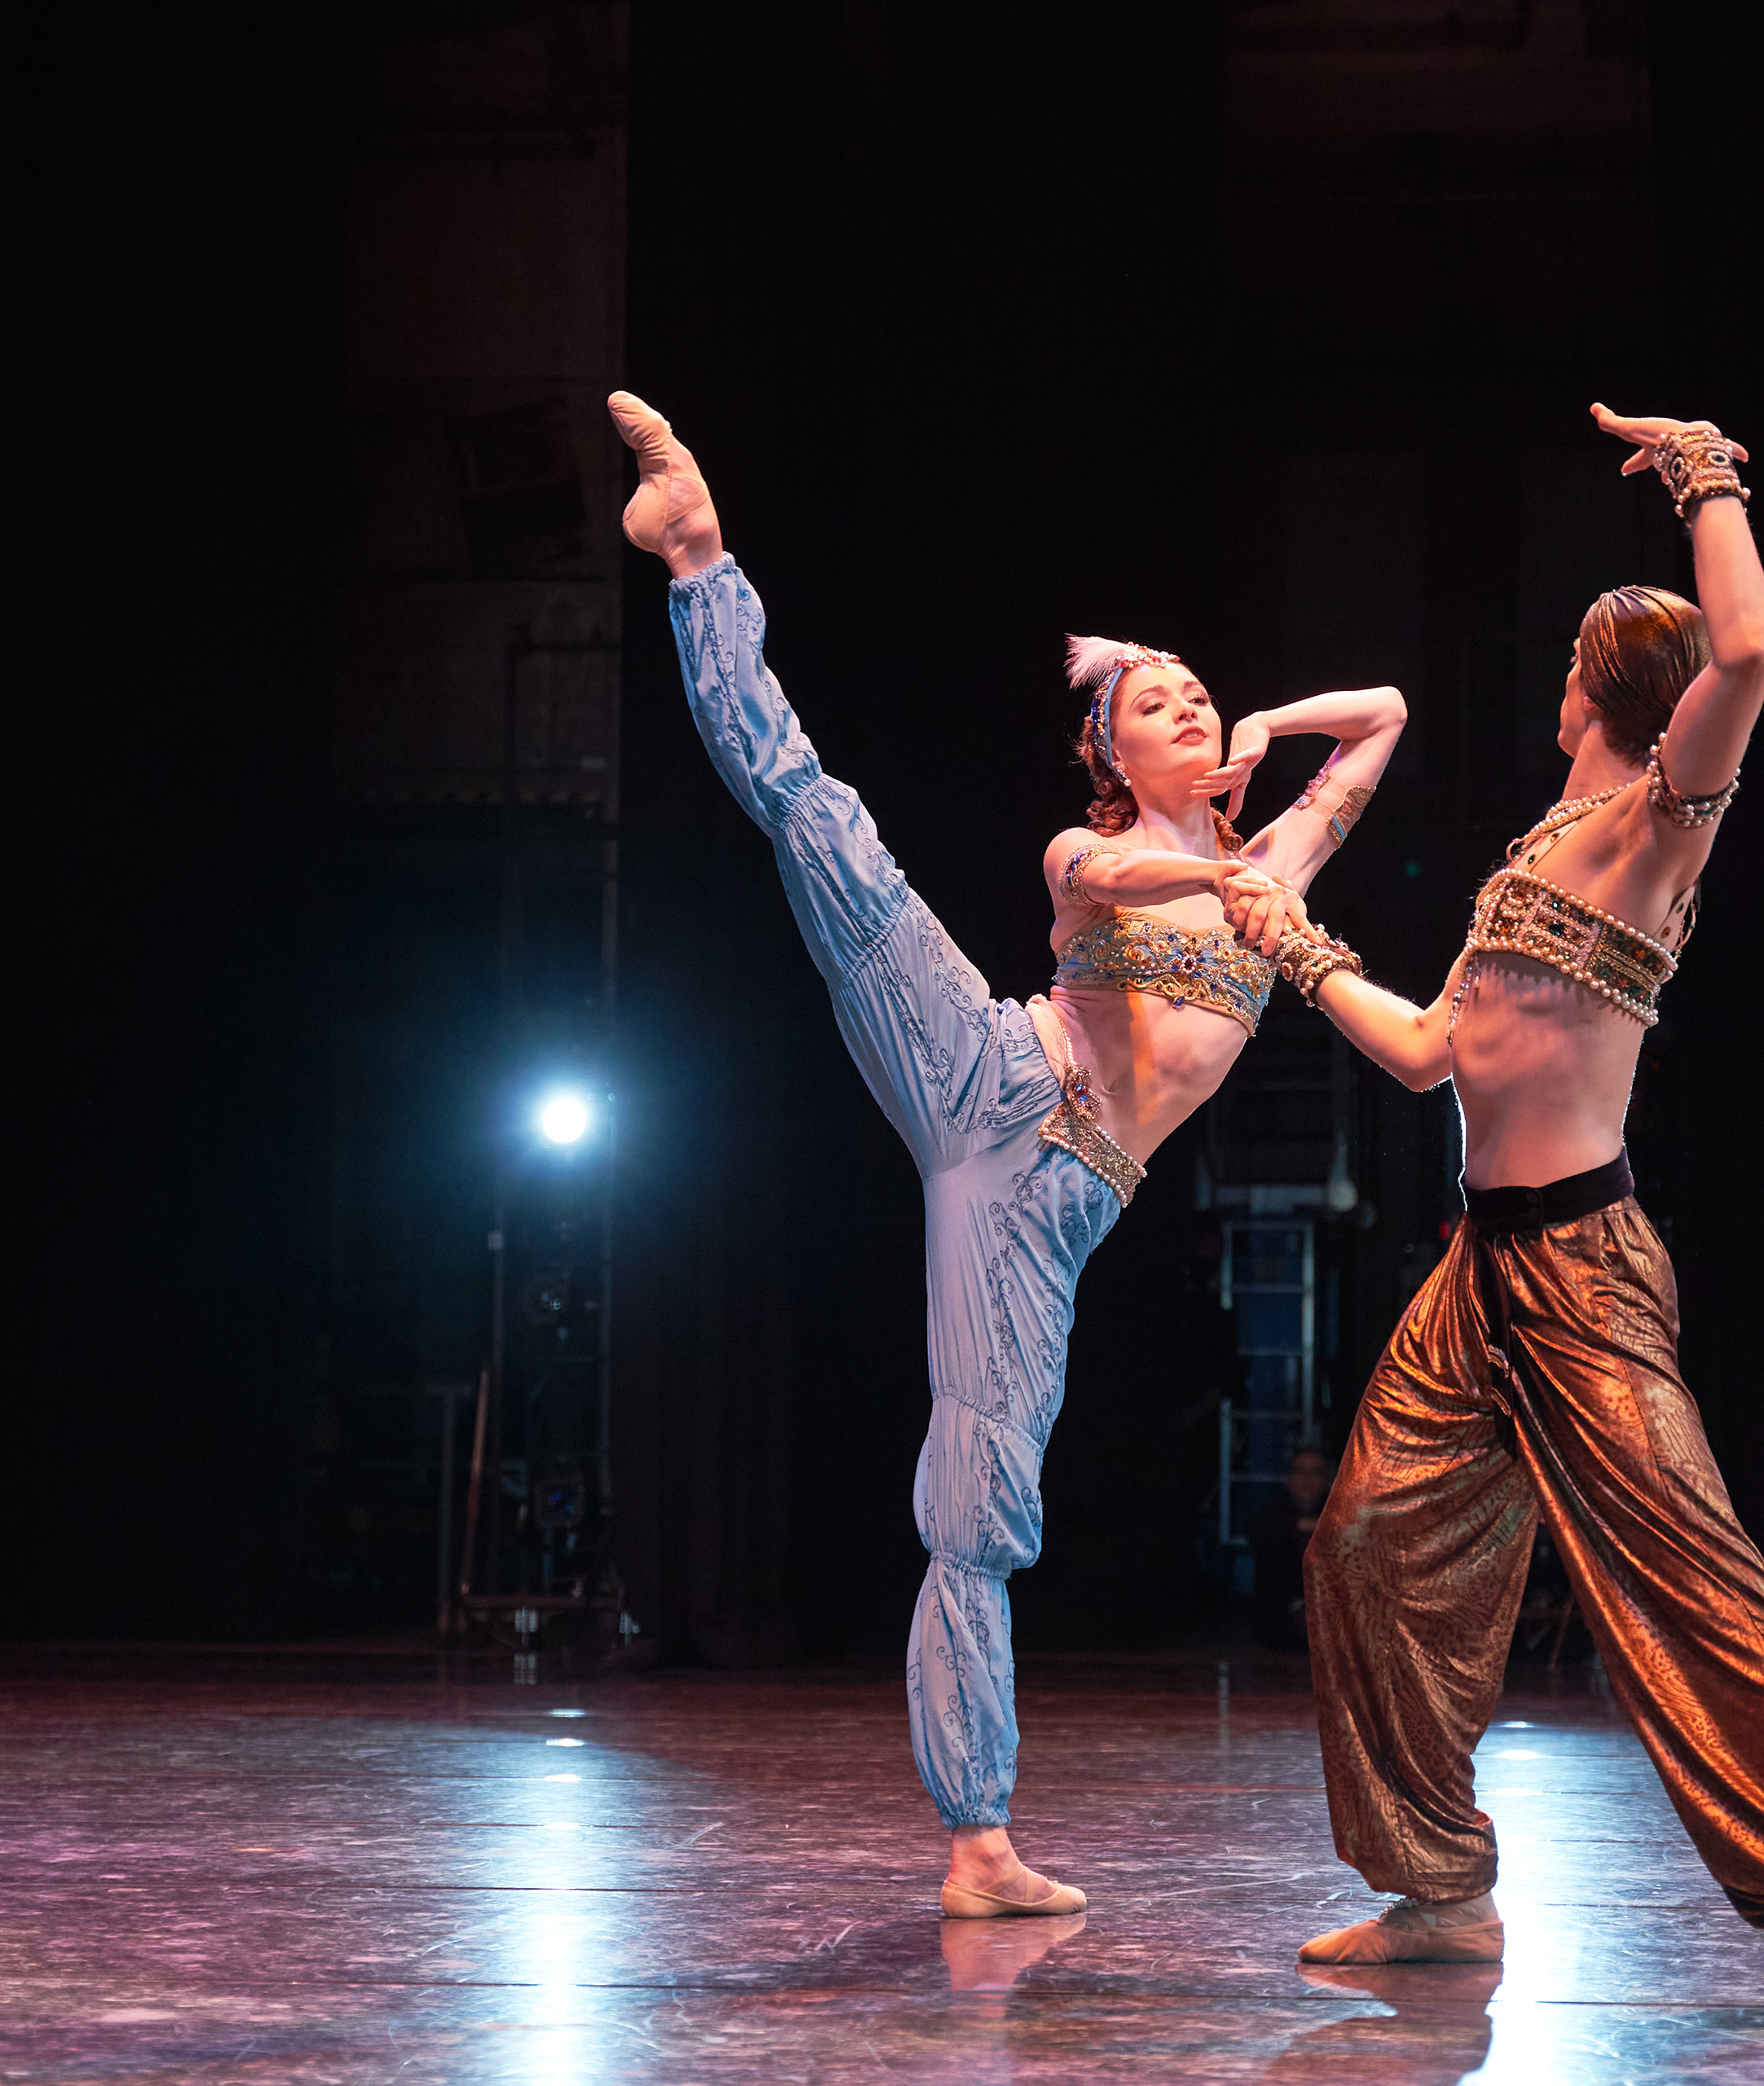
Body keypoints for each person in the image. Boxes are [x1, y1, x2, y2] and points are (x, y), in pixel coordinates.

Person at [609, 390, 1407, 1920]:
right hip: (986, 1065)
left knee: (984, 1502)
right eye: (1156, 701)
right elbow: (1110, 880)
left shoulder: (1274, 858)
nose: (1188, 704)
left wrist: (1272, 733)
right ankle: (700, 556)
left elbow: (1382, 715)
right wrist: (1223, 883)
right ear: (1112, 750)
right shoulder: (1091, 851)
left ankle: (978, 1845)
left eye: (1198, 692)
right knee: (820, 823)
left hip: (1054, 1192)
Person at [1222, 403, 1764, 2027]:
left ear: (1610, 687)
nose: (1552, 674)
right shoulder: (1537, 850)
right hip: (1478, 1271)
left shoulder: (1654, 827)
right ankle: (1439, 1886)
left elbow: (1747, 650)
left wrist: (1707, 473)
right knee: (1365, 1546)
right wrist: (1297, 947)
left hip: (1586, 1269)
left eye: (1568, 657)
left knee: (1691, 1587)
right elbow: (1429, 1056)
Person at [1246, 1443, 1335, 1648]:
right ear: (1288, 1478)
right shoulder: (1269, 1516)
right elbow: (1258, 1531)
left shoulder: (1342, 1515)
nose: (1307, 1479)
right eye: (1300, 1471)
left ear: (1328, 1480)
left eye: (1316, 1472)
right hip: (1279, 1618)